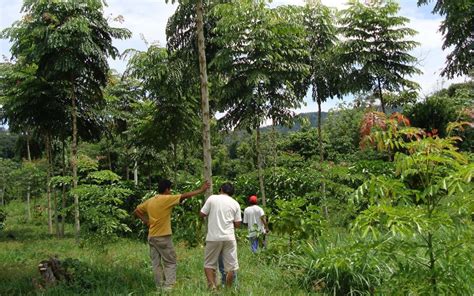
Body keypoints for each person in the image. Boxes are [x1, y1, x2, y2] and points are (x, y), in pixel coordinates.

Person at [134, 179, 209, 290]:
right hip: (163, 236)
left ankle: (159, 286)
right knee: (170, 261)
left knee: (156, 263)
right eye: (170, 189)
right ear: (167, 189)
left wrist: (146, 221)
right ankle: (169, 286)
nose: (171, 191)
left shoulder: (150, 201)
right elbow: (184, 196)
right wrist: (201, 190)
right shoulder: (167, 199)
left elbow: (137, 211)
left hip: (152, 237)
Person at [200, 182, 241, 290]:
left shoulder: (212, 198)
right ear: (232, 193)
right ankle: (228, 289)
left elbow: (202, 214)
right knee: (231, 267)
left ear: (221, 189)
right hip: (229, 237)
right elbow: (237, 224)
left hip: (213, 237)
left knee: (209, 264)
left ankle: (212, 287)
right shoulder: (235, 203)